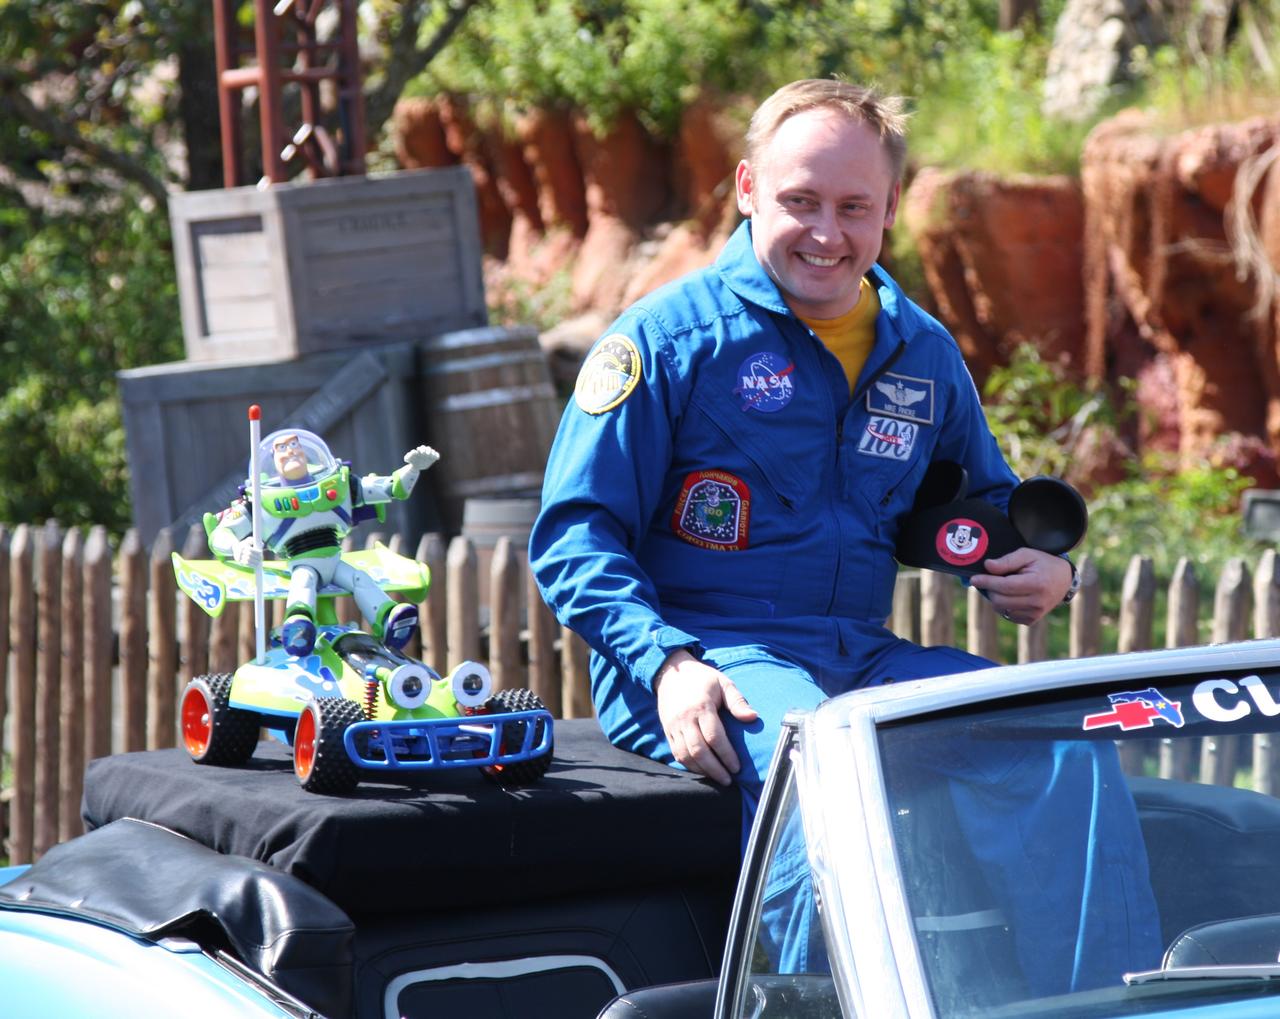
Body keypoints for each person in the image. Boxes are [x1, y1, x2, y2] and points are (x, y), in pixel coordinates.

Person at [529, 78, 1159, 995]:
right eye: (800, 202)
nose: (827, 232)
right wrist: (663, 662)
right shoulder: (665, 341)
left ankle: (1096, 1008)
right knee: (820, 760)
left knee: (1057, 738)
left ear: (890, 208)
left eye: (854, 207)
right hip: (701, 664)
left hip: (859, 657)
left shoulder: (923, 351)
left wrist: (1039, 567)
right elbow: (574, 535)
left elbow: (984, 505)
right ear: (746, 188)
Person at [209, 427, 438, 656]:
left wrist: (414, 469)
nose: (291, 452)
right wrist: (237, 547)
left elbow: (392, 488)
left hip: (333, 557)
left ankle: (389, 619)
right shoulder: (258, 499)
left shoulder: (339, 482)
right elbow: (220, 534)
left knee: (360, 579)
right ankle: (299, 625)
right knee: (304, 582)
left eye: (294, 445)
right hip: (301, 561)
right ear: (273, 460)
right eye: (282, 449)